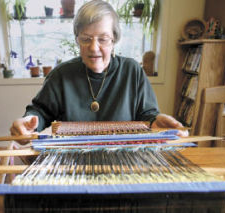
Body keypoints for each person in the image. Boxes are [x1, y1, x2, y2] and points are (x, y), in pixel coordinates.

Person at [10, 0, 187, 137]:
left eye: (103, 39)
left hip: (123, 160)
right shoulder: (61, 75)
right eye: (86, 39)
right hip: (73, 162)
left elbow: (147, 115)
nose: (94, 48)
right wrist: (28, 122)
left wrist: (156, 121)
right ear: (77, 39)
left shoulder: (132, 71)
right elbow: (40, 112)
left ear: (114, 40)